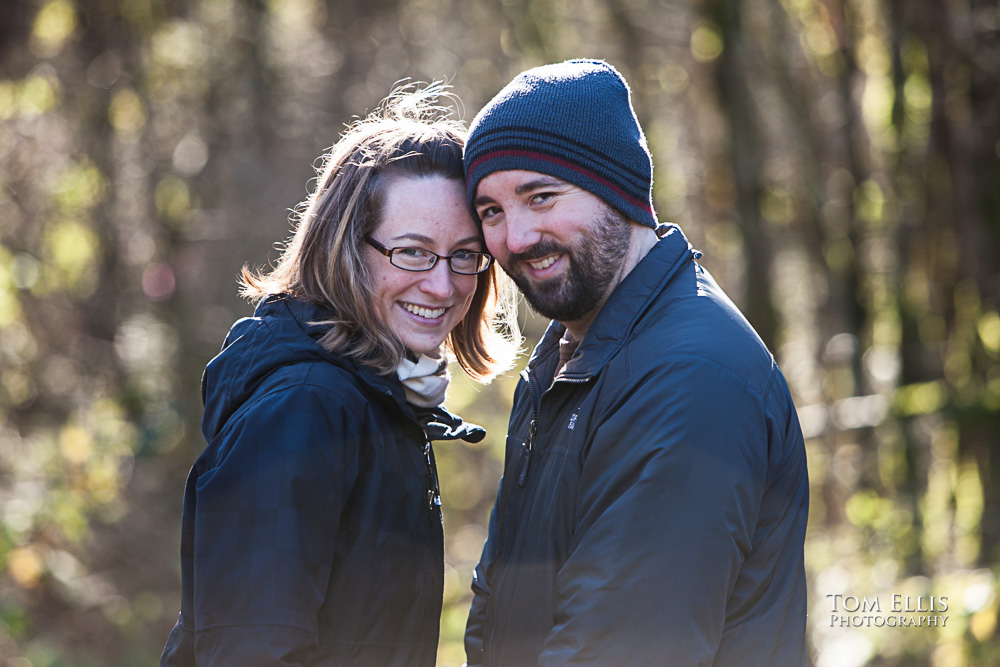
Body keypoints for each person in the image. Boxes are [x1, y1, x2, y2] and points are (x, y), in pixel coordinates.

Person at [461, 59, 809, 666]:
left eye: (540, 196)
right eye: (491, 211)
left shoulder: (691, 376)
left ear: (616, 190)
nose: (514, 238)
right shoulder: (569, 361)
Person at [159, 85, 519, 666]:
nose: (443, 284)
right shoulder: (304, 407)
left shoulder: (381, 400)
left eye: (465, 255)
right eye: (412, 251)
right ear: (346, 250)